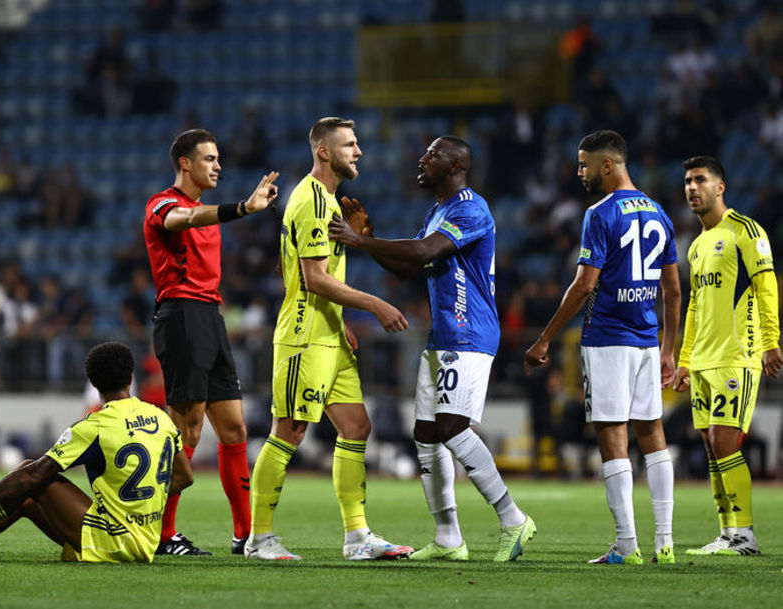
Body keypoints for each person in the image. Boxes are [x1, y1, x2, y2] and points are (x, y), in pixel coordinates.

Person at [328, 136, 536, 562]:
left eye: (433, 155)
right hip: (443, 335)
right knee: (426, 435)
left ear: (456, 165)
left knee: (453, 428)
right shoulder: (437, 211)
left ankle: (513, 518)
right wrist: (369, 237)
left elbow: (425, 250)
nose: (422, 159)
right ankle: (448, 538)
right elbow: (409, 268)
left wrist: (360, 243)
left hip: (469, 333)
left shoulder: (471, 208)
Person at [244, 116, 412, 561]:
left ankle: (358, 538)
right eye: (349, 145)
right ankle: (259, 539)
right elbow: (313, 279)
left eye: (357, 144)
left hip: (330, 334)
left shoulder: (327, 201)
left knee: (357, 427)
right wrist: (374, 305)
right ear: (324, 151)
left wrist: (340, 320)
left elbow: (291, 267)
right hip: (304, 335)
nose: (358, 151)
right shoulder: (312, 200)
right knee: (290, 431)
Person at [0, 342, 192, 563]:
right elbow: (185, 477)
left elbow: (35, 473)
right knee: (26, 500)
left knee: (31, 474)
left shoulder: (94, 426)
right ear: (131, 378)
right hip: (146, 541)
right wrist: (144, 506)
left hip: (115, 541)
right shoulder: (160, 417)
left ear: (94, 385)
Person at [525, 130, 681, 565]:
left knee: (613, 437)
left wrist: (544, 338)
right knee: (652, 434)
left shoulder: (600, 213)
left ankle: (627, 546)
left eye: (584, 164)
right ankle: (665, 543)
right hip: (647, 339)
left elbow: (584, 285)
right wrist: (668, 349)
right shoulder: (659, 211)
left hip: (609, 338)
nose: (579, 172)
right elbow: (672, 291)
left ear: (607, 165)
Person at [144, 128, 279, 555]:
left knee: (234, 428)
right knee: (187, 429)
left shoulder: (204, 211)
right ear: (185, 163)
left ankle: (246, 535)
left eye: (218, 158)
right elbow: (179, 220)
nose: (218, 165)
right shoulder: (163, 203)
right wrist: (243, 208)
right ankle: (162, 534)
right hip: (181, 316)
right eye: (209, 158)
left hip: (209, 317)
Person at [671, 155, 782, 556]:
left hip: (737, 355)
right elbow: (694, 307)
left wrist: (771, 341)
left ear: (720, 187)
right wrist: (685, 359)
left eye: (700, 179)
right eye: (688, 181)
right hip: (703, 359)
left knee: (725, 441)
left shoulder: (745, 231)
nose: (692, 187)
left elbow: (766, 286)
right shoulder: (696, 246)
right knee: (710, 445)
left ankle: (746, 535)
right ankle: (727, 532)